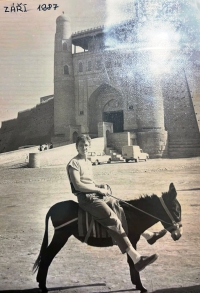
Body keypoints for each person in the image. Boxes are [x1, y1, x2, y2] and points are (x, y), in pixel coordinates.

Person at [67, 134, 160, 272]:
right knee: (112, 219)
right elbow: (79, 186)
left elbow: (89, 182)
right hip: (86, 199)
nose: (84, 148)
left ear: (89, 147)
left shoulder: (87, 161)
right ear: (77, 147)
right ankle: (136, 259)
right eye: (81, 145)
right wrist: (97, 189)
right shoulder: (73, 163)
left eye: (86, 145)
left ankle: (148, 235)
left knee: (119, 206)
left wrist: (101, 186)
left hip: (95, 194)